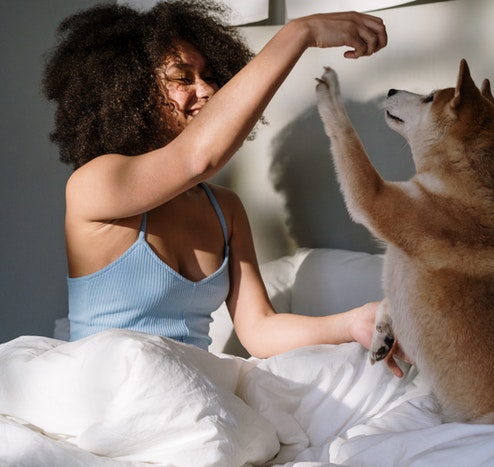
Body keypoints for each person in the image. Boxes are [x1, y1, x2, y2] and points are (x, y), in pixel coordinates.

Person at [43, 0, 405, 376]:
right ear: (131, 91)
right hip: (107, 394)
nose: (206, 90)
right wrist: (302, 32)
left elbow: (260, 330)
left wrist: (354, 321)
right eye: (182, 77)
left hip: (192, 392)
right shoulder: (95, 183)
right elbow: (197, 159)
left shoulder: (224, 208)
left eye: (210, 76)